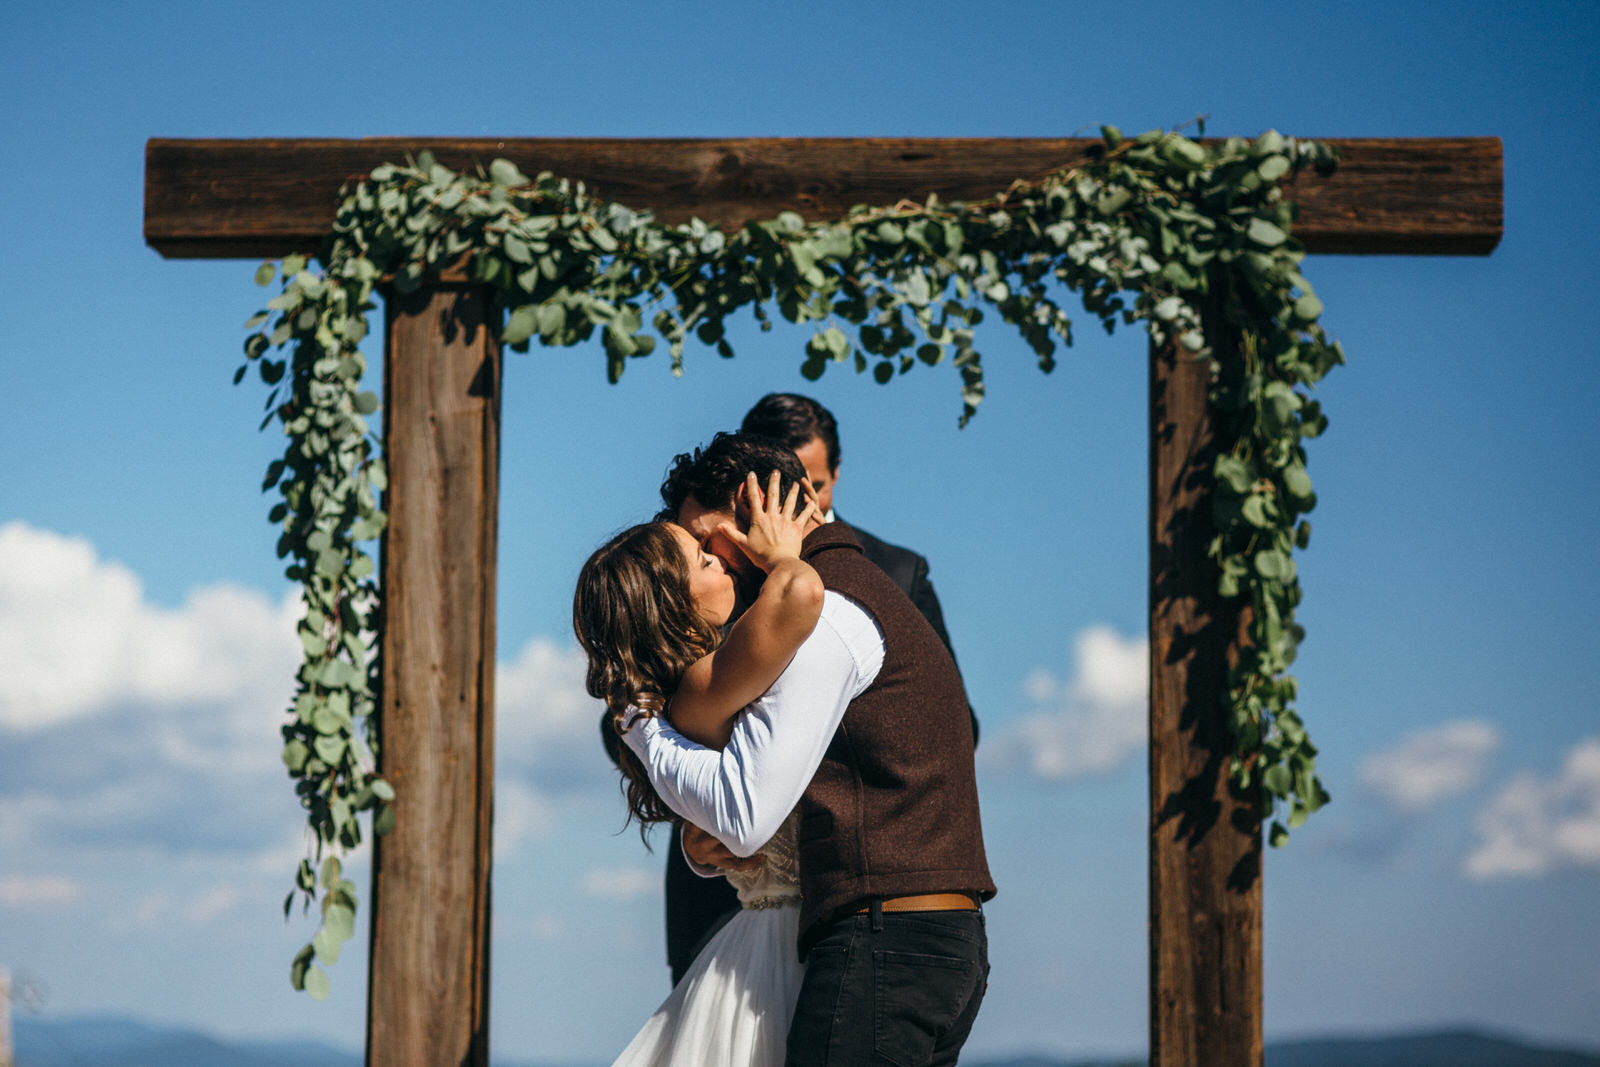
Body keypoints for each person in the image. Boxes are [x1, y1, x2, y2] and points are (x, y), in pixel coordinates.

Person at [630, 432, 995, 1067]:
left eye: (706, 538)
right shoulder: (847, 594)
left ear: (757, 512)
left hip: (886, 942)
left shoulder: (827, 614)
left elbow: (745, 815)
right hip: (917, 941)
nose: (703, 560)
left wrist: (640, 724)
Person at [574, 473, 826, 1067]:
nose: (719, 557)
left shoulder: (691, 688)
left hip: (771, 937)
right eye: (702, 558)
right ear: (673, 602)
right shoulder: (707, 682)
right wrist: (784, 553)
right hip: (785, 952)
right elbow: (799, 595)